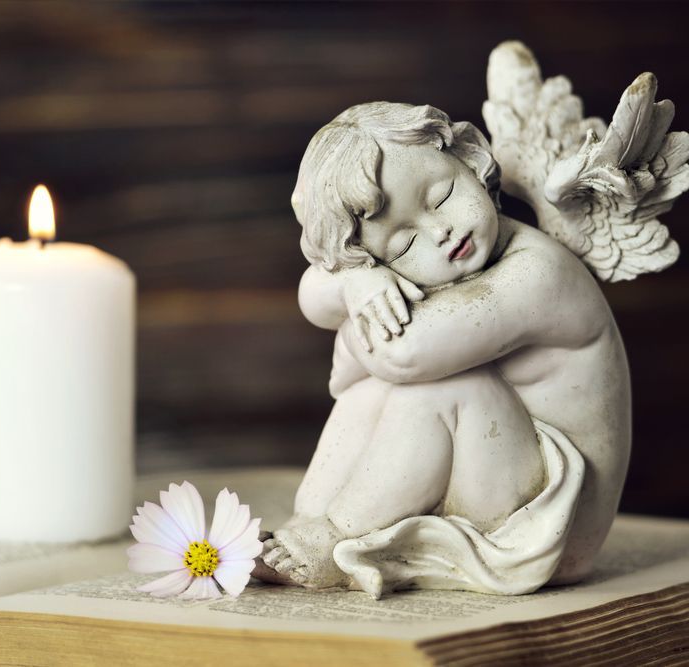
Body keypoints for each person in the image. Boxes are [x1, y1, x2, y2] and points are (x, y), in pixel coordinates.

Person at [258, 102, 630, 595]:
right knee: (371, 391)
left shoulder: (539, 275)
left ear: (470, 162)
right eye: (404, 246)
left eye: (443, 196)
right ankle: (310, 521)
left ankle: (341, 536)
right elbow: (314, 295)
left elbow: (405, 355)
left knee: (440, 388)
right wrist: (354, 284)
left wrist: (351, 333)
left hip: (550, 520)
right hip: (494, 471)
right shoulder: (432, 267)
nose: (440, 233)